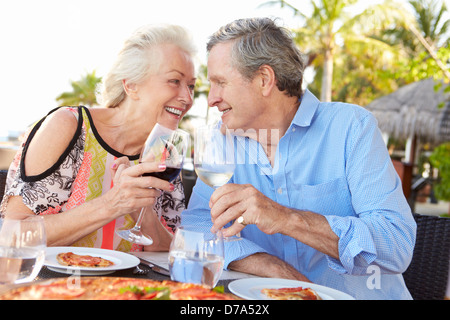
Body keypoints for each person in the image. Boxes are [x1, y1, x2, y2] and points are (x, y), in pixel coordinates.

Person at [182, 17, 416, 299]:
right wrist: (273, 268)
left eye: (221, 83)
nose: (211, 99)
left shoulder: (351, 128)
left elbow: (396, 244)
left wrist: (284, 217)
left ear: (264, 80)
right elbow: (197, 226)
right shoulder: (221, 140)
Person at [0, 24, 197, 252]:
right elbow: (13, 235)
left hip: (127, 287)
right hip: (55, 284)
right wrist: (113, 203)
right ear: (131, 85)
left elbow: (170, 251)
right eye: (175, 81)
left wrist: (143, 212)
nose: (187, 98)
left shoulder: (167, 153)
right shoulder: (70, 127)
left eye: (191, 86)